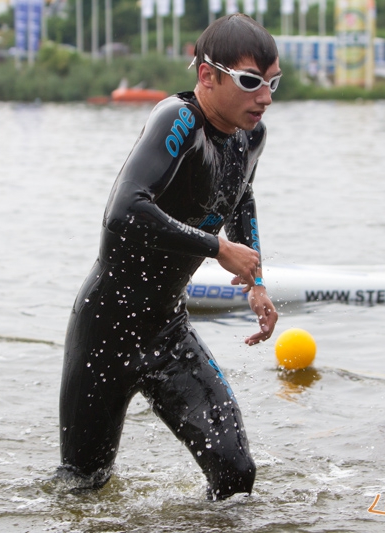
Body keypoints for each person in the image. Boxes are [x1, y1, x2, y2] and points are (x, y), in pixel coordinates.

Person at [58, 14, 280, 500]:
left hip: (167, 329)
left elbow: (240, 197)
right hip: (105, 331)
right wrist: (217, 247)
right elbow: (124, 211)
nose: (264, 97)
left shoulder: (250, 135)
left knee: (237, 477)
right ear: (207, 75)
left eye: (272, 83)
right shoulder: (176, 119)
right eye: (249, 82)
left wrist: (256, 281)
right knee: (82, 489)